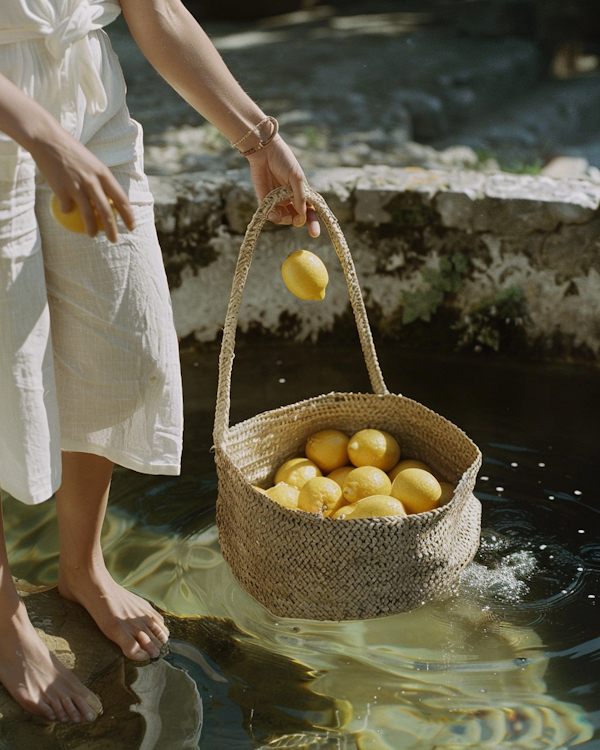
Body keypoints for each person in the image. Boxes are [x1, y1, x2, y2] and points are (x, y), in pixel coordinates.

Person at [0, 0, 320, 726]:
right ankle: (7, 619)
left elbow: (156, 8)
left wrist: (256, 136)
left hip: (88, 105)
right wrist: (43, 137)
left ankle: (82, 567)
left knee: (119, 346)